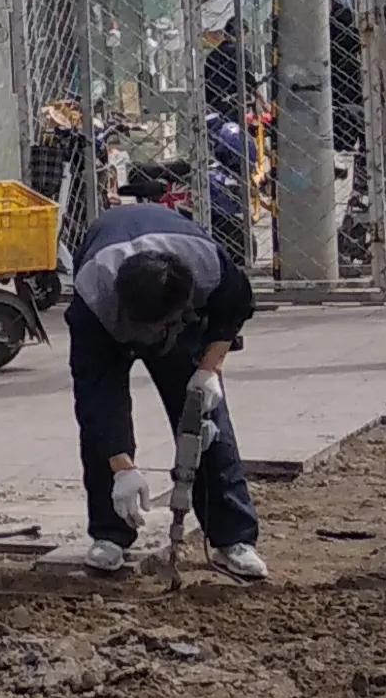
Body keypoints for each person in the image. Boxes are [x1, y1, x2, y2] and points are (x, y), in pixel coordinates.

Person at [59, 190, 266, 580]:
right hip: (111, 316)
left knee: (205, 423)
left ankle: (233, 539)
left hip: (183, 321)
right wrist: (122, 468)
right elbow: (96, 394)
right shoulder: (94, 300)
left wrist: (209, 369)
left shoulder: (208, 268)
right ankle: (110, 534)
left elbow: (235, 308)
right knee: (101, 434)